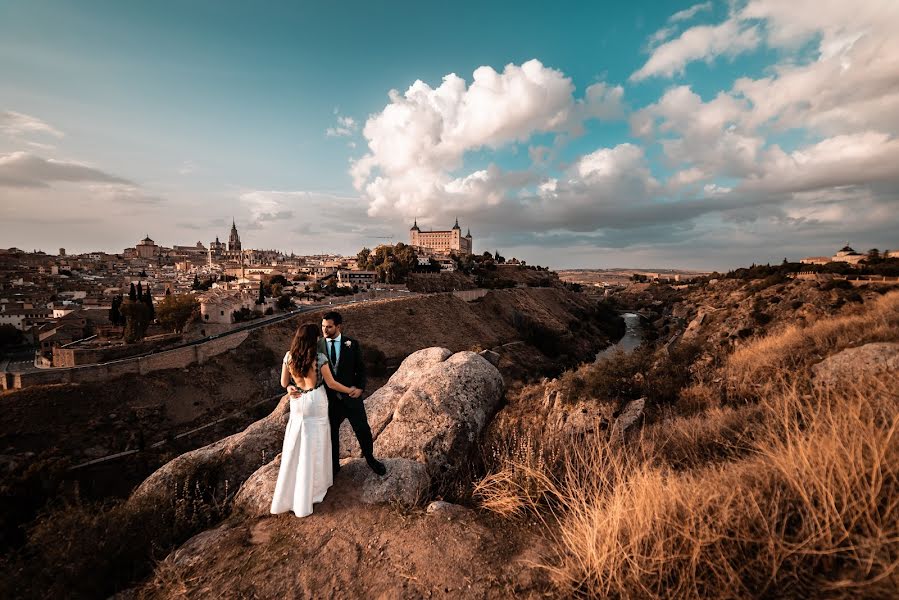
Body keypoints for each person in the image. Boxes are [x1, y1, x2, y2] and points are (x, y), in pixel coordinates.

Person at [270, 323, 360, 517]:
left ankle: (291, 492)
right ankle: (314, 489)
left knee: (296, 443)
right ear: (313, 340)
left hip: (298, 401)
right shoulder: (319, 359)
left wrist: (289, 389)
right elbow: (332, 384)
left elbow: (284, 383)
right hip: (316, 401)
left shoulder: (288, 357)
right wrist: (350, 390)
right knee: (316, 444)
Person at [319, 311, 387, 476]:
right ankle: (334, 467)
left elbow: (361, 370)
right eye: (323, 326)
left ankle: (371, 459)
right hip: (329, 399)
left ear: (338, 326)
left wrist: (360, 388)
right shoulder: (317, 346)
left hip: (352, 397)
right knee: (331, 433)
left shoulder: (352, 344)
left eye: (329, 327)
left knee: (363, 428)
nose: (325, 330)